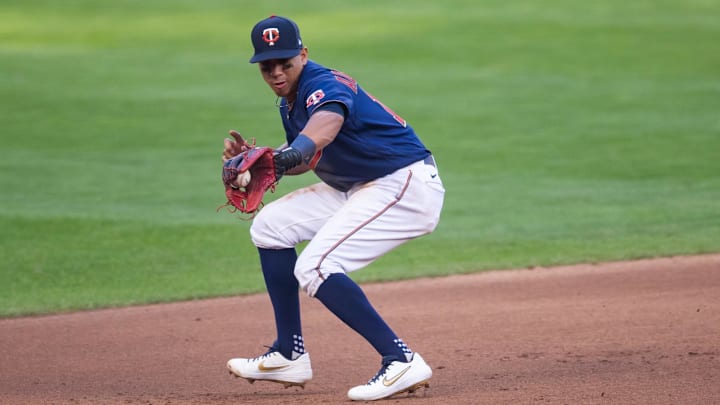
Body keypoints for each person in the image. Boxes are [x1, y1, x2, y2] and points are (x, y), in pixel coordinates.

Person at [224, 15, 445, 401]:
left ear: (304, 55)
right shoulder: (289, 103)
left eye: (285, 63)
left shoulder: (324, 84)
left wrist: (289, 152)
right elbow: (309, 159)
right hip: (360, 188)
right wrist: (263, 160)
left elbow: (327, 123)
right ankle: (289, 353)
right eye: (267, 66)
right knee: (270, 226)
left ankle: (401, 359)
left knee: (316, 266)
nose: (276, 72)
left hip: (403, 185)